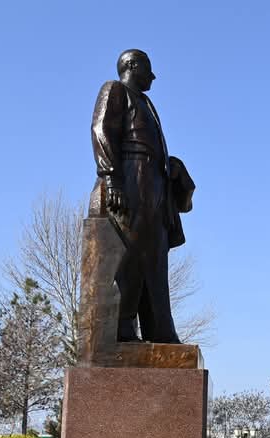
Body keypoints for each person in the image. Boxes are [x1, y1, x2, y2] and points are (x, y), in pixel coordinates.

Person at [91, 48, 191, 344]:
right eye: (148, 68)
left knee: (155, 257)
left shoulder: (146, 102)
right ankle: (121, 327)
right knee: (130, 253)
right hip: (131, 178)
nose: (153, 75)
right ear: (132, 66)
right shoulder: (116, 90)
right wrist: (111, 178)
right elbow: (101, 129)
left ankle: (160, 330)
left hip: (153, 183)